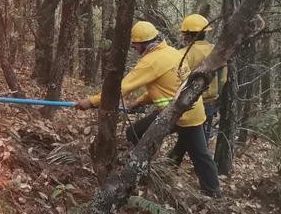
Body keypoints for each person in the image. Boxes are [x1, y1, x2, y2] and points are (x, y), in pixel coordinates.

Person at [76, 21, 222, 197]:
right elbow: (164, 87)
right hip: (186, 109)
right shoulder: (171, 52)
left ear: (142, 43)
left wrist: (91, 102)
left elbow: (120, 88)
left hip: (181, 115)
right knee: (194, 152)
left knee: (194, 152)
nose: (134, 47)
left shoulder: (151, 61)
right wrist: (139, 102)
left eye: (135, 44)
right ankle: (207, 190)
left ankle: (145, 174)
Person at [170, 14, 227, 158]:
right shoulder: (217, 50)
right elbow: (223, 78)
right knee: (195, 137)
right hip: (211, 101)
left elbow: (177, 79)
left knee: (192, 138)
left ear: (186, 35)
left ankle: (175, 161)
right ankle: (173, 161)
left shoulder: (183, 54)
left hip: (190, 103)